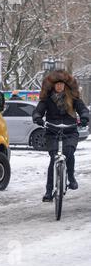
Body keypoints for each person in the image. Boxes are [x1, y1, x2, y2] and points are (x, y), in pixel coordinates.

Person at [32, 70, 89, 202]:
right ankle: (48, 191)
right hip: (52, 131)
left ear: (65, 86)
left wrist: (84, 117)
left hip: (70, 130)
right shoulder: (47, 100)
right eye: (57, 84)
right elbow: (38, 111)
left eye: (61, 84)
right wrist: (38, 118)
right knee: (53, 159)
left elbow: (83, 109)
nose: (59, 86)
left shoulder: (73, 98)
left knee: (69, 152)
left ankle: (71, 177)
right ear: (53, 86)